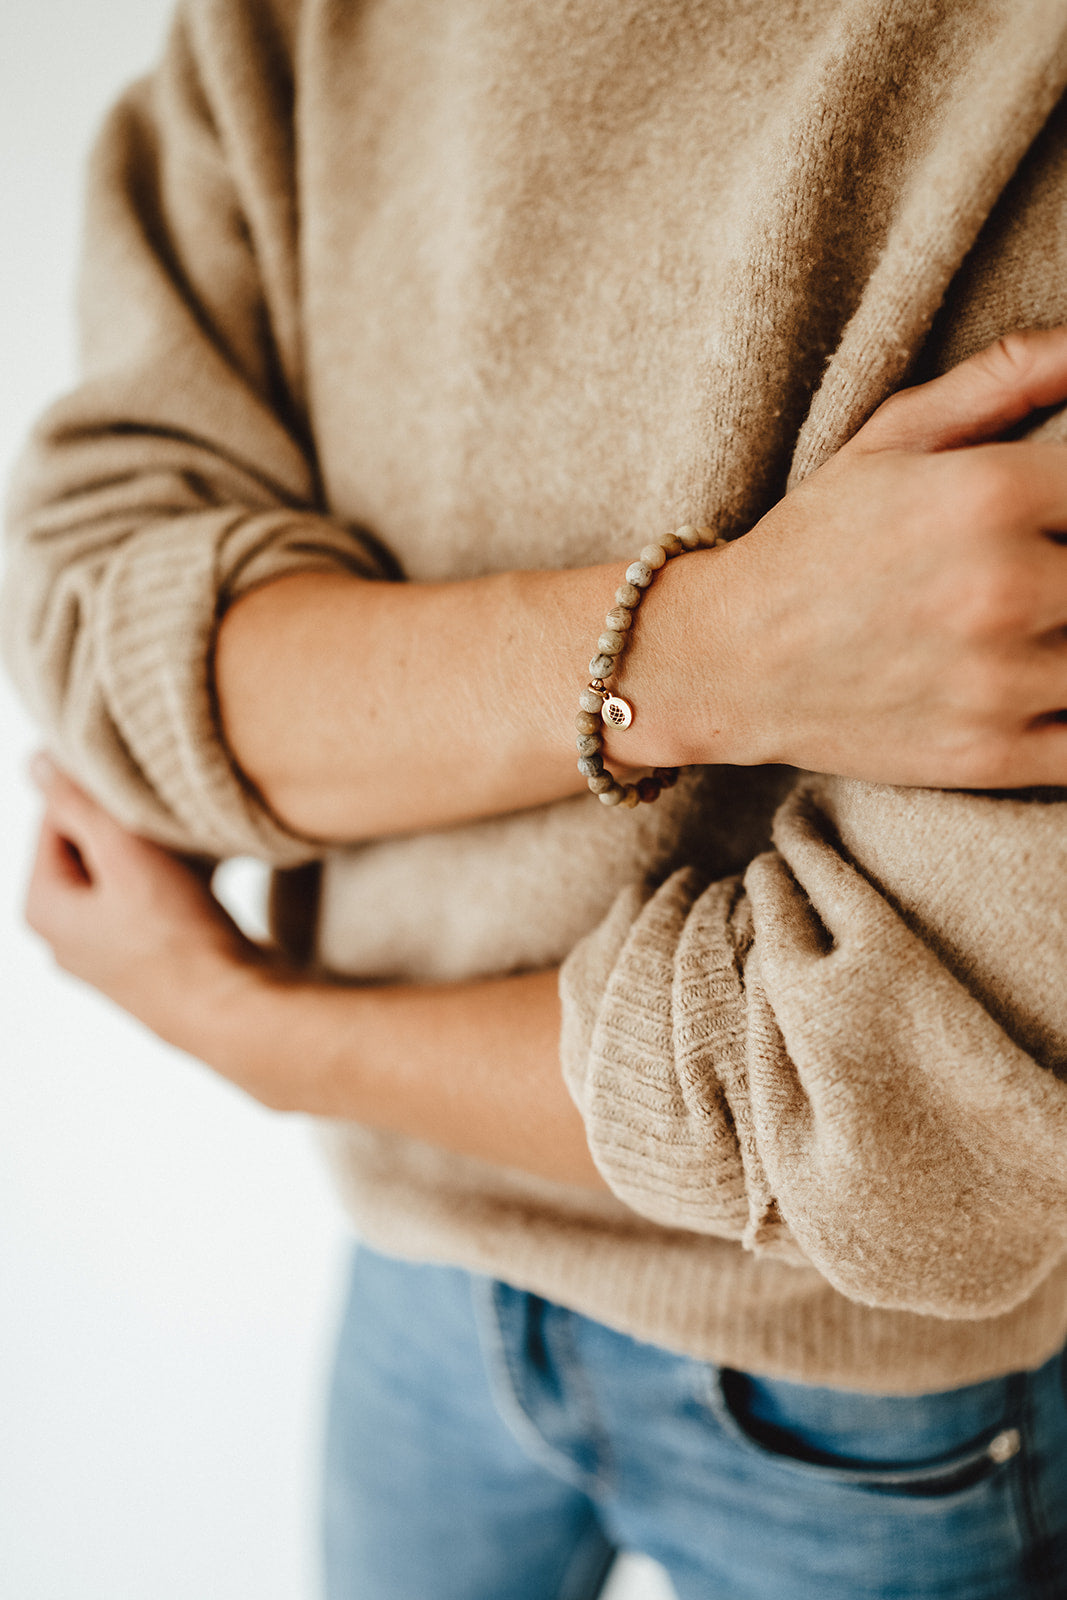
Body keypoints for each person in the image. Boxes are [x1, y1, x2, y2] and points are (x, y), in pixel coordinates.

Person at [8, 1, 1067, 1595]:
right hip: (412, 1265)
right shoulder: (283, 27)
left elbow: (913, 1111)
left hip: (865, 1388)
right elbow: (107, 647)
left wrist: (257, 1033)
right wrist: (718, 649)